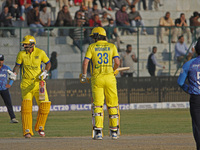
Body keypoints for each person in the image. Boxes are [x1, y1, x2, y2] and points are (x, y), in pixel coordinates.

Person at [80, 27, 120, 140]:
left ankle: (98, 132)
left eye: (94, 37)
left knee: (98, 105)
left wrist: (83, 75)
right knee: (112, 105)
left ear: (97, 36)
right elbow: (117, 62)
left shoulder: (92, 47)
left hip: (97, 79)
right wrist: (114, 70)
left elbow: (85, 63)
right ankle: (114, 132)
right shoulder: (112, 46)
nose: (93, 39)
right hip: (110, 78)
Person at [9, 35, 51, 138]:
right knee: (26, 108)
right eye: (24, 44)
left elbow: (48, 63)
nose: (24, 46)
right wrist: (14, 74)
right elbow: (17, 66)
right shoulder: (21, 54)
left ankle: (40, 127)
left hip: (39, 83)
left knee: (45, 105)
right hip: (26, 84)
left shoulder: (40, 52)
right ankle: (27, 131)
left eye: (26, 44)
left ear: (32, 44)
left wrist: (45, 71)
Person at [177, 38, 200, 150]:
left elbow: (180, 82)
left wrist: (188, 89)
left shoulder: (189, 64)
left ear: (196, 50)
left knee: (197, 127)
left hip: (196, 99)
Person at [0, 54, 19, 123]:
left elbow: (13, 76)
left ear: (3, 60)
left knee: (9, 104)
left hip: (4, 89)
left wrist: (10, 84)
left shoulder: (6, 68)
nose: (0, 62)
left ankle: (13, 118)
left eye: (1, 60)